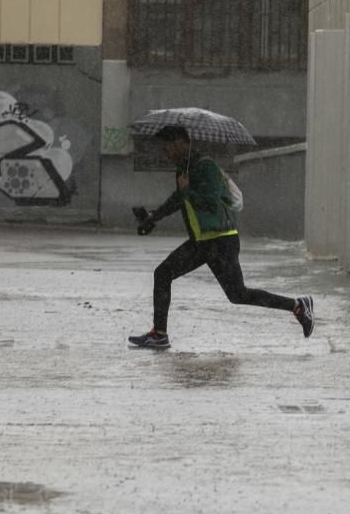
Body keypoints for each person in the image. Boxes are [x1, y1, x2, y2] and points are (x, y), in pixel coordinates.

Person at [129, 125, 314, 349]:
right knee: (170, 275)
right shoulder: (183, 169)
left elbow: (211, 202)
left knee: (235, 294)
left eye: (167, 148)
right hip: (203, 241)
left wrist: (187, 190)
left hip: (220, 240)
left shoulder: (206, 167)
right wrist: (153, 216)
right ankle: (159, 334)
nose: (164, 154)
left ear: (180, 142)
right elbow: (178, 199)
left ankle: (298, 306)